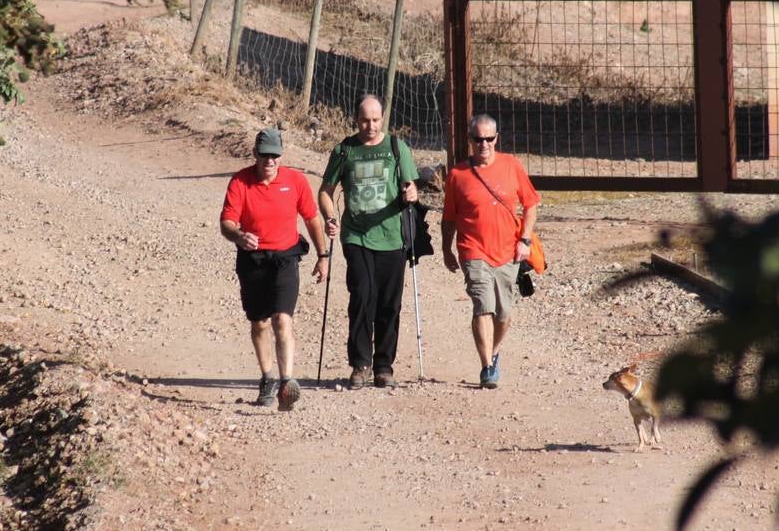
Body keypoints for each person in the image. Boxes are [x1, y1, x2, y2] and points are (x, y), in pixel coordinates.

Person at [220, 128, 329, 409]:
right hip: (253, 259)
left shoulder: (295, 180)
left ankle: (286, 382)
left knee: (282, 319)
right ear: (255, 154)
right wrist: (239, 236)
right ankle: (267, 377)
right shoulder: (240, 182)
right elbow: (227, 222)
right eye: (265, 155)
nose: (270, 161)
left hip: (285, 258)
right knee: (259, 322)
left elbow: (312, 219)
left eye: (275, 156)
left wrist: (323, 255)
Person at [318, 95, 419, 389]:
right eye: (365, 120)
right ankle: (360, 364)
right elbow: (325, 191)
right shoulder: (345, 150)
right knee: (362, 295)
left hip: (392, 236)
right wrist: (329, 216)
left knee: (390, 303)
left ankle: (384, 366)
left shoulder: (397, 149)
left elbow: (410, 187)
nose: (370, 126)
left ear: (383, 118)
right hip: (356, 234)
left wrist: (411, 193)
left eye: (375, 120)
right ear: (355, 118)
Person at [440, 114, 540, 390]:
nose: (483, 144)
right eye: (477, 139)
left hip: (508, 251)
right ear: (470, 141)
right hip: (473, 250)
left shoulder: (511, 165)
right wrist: (447, 249)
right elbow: (449, 218)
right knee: (483, 305)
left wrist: (525, 240)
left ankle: (494, 352)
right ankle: (486, 367)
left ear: (497, 139)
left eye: (488, 139)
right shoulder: (457, 175)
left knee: (503, 314)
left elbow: (531, 204)